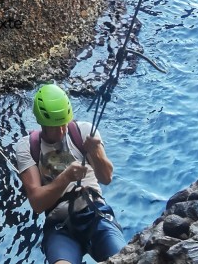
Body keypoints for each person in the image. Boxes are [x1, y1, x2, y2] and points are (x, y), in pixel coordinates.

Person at [15, 83, 126, 264]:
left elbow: (106, 178)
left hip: (95, 213)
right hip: (60, 224)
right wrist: (66, 178)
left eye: (63, 124)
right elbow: (36, 203)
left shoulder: (82, 131)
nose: (61, 130)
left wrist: (96, 152)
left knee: (123, 259)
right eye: (54, 126)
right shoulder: (27, 146)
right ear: (42, 123)